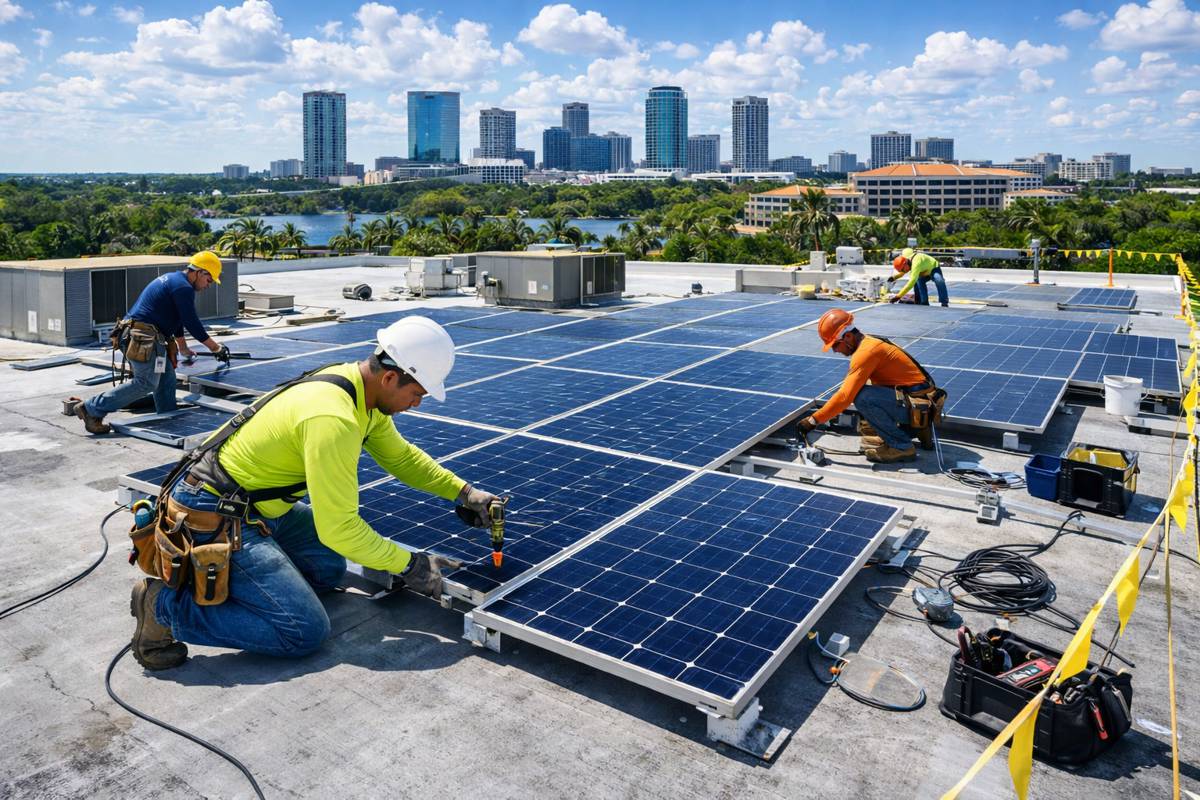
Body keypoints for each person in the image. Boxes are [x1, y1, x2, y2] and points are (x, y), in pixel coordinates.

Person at [130, 316, 501, 669]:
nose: (417, 404)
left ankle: (253, 583)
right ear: (390, 377)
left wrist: (464, 493)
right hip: (216, 513)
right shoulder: (333, 419)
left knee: (327, 570)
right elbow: (340, 529)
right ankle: (163, 606)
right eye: (417, 394)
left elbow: (401, 458)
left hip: (258, 508)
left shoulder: (359, 389)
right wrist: (411, 564)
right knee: (302, 630)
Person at [74, 251, 230, 434]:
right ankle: (90, 408)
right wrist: (216, 348)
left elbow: (178, 318)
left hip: (147, 337)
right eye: (209, 280)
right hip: (143, 338)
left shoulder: (175, 280)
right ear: (200, 272)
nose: (208, 285)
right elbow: (191, 322)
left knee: (166, 380)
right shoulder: (183, 288)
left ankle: (168, 418)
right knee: (146, 382)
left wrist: (182, 347)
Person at [795, 308, 938, 464]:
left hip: (917, 405)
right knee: (865, 387)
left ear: (848, 336)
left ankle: (902, 446)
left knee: (863, 397)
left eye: (836, 345)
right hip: (919, 403)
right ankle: (918, 429)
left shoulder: (866, 352)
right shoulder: (869, 342)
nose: (835, 351)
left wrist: (813, 420)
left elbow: (844, 397)